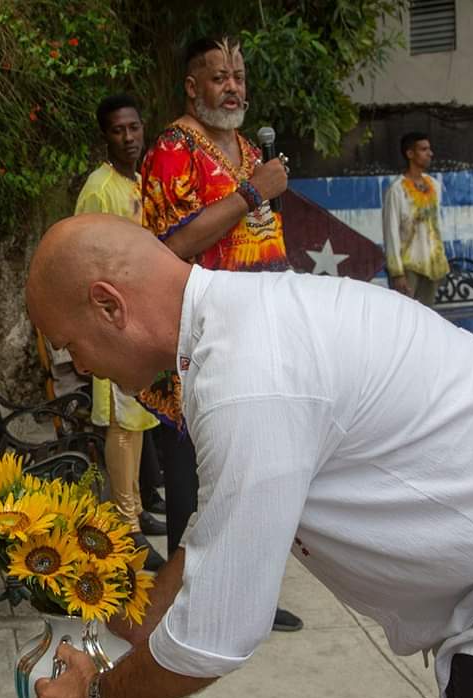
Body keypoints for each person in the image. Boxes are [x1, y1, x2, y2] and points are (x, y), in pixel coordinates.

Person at [25, 214, 473, 698]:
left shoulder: (245, 376)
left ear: (109, 305)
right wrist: (144, 621)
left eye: (70, 346)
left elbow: (214, 636)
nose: (80, 366)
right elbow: (223, 521)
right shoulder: (242, 322)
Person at [138, 35, 300, 631]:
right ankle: (188, 607)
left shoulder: (250, 150)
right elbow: (173, 246)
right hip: (201, 340)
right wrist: (254, 193)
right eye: (219, 77)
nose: (233, 87)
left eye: (238, 76)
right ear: (191, 86)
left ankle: (250, 597)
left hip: (262, 332)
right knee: (191, 476)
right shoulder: (173, 149)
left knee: (254, 472)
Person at [74, 94, 165, 571]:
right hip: (114, 325)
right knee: (122, 425)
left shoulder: (144, 180)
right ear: (104, 136)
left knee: (139, 419)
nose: (128, 138)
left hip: (144, 320)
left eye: (133, 128)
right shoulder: (99, 187)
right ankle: (126, 527)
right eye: (117, 131)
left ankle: (138, 508)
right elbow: (83, 255)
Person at [382, 132, 450, 306]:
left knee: (427, 317)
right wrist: (397, 273)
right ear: (410, 154)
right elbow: (391, 232)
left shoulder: (433, 185)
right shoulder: (397, 190)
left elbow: (436, 226)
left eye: (429, 149)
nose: (430, 153)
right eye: (423, 149)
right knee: (405, 316)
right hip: (408, 265)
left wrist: (441, 260)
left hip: (432, 264)